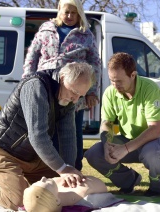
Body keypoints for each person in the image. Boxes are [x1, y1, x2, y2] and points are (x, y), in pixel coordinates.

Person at [0, 62, 95, 211]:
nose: (75, 99)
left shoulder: (68, 97)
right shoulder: (35, 86)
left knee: (58, 188)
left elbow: (68, 136)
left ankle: (12, 180)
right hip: (3, 151)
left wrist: (69, 168)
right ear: (62, 77)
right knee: (19, 201)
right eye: (74, 92)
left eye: (80, 96)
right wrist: (63, 169)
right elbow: (37, 136)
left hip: (32, 156)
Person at [22, 0, 101, 171]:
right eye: (67, 12)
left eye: (74, 13)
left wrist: (92, 91)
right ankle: (48, 171)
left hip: (73, 90)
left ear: (80, 14)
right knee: (45, 131)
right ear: (59, 10)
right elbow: (32, 57)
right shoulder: (46, 29)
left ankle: (74, 170)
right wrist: (27, 82)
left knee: (72, 134)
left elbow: (95, 64)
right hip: (46, 89)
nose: (70, 16)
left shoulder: (86, 34)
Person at [84, 52, 160, 196]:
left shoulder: (151, 89)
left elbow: (155, 129)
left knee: (155, 153)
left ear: (133, 75)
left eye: (119, 80)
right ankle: (129, 181)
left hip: (157, 139)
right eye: (111, 80)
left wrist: (125, 148)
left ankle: (157, 188)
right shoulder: (110, 93)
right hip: (129, 140)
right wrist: (107, 144)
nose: (115, 85)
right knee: (94, 154)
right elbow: (106, 122)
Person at [23, 175, 107, 212]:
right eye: (46, 182)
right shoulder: (79, 192)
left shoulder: (54, 190)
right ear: (57, 201)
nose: (43, 177)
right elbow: (99, 185)